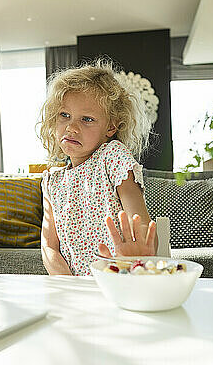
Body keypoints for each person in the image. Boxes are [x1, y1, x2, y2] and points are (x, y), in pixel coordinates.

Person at [38, 59, 158, 276]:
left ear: (111, 126)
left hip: (118, 283)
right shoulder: (51, 182)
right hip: (73, 291)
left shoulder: (112, 157)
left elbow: (141, 225)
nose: (72, 127)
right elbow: (49, 248)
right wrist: (70, 285)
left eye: (87, 119)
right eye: (64, 115)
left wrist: (136, 256)